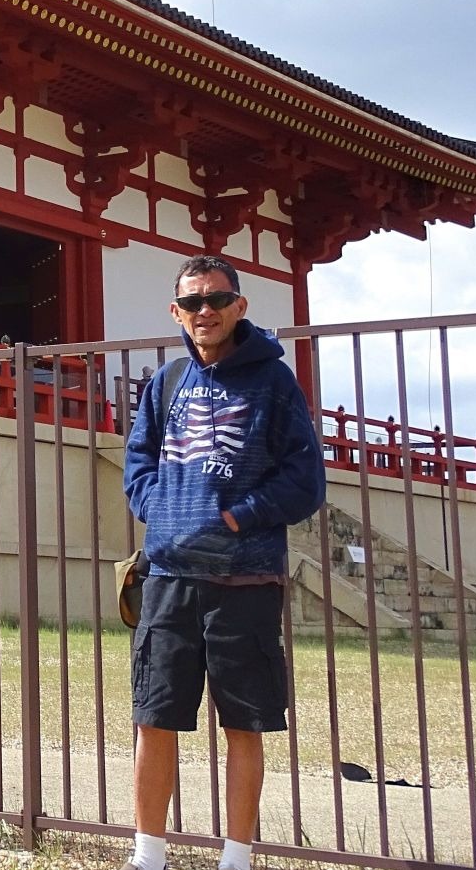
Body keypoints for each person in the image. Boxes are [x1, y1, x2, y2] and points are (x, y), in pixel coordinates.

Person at [122, 255, 326, 870]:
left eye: (216, 300)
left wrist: (240, 515)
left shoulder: (273, 383)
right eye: (191, 303)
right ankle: (147, 853)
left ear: (240, 306)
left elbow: (305, 478)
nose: (203, 312)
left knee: (244, 721)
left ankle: (237, 856)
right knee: (154, 718)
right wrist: (163, 510)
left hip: (246, 578)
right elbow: (138, 461)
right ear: (175, 312)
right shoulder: (166, 382)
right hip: (170, 576)